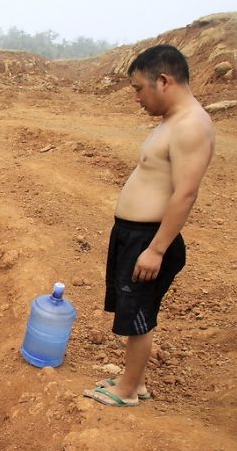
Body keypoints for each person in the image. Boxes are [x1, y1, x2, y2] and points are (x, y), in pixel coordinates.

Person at [83, 44, 215, 407]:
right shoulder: (172, 121)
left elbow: (186, 194)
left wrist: (156, 249)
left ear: (163, 80)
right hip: (133, 235)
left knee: (138, 317)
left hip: (148, 239)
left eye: (139, 89)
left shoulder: (191, 126)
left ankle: (126, 392)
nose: (137, 98)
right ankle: (133, 381)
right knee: (133, 312)